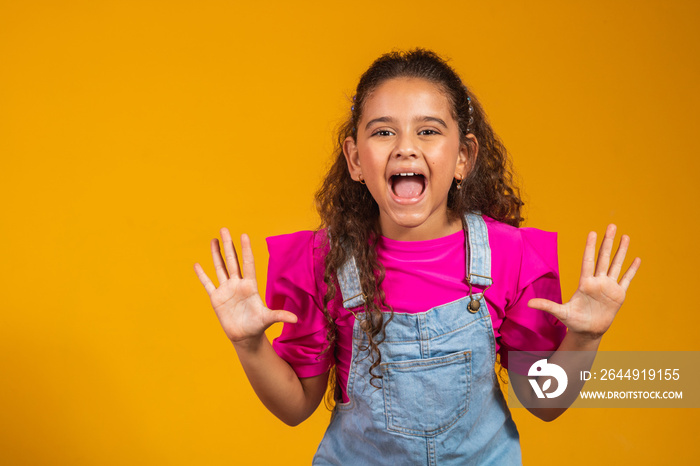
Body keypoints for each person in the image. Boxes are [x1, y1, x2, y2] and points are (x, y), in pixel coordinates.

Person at [193, 49, 640, 465]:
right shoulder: (321, 259)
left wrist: (584, 339)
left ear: (463, 156)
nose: (405, 146)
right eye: (383, 131)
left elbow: (545, 403)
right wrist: (249, 345)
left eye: (428, 130)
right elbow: (295, 407)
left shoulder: (510, 255)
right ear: (354, 158)